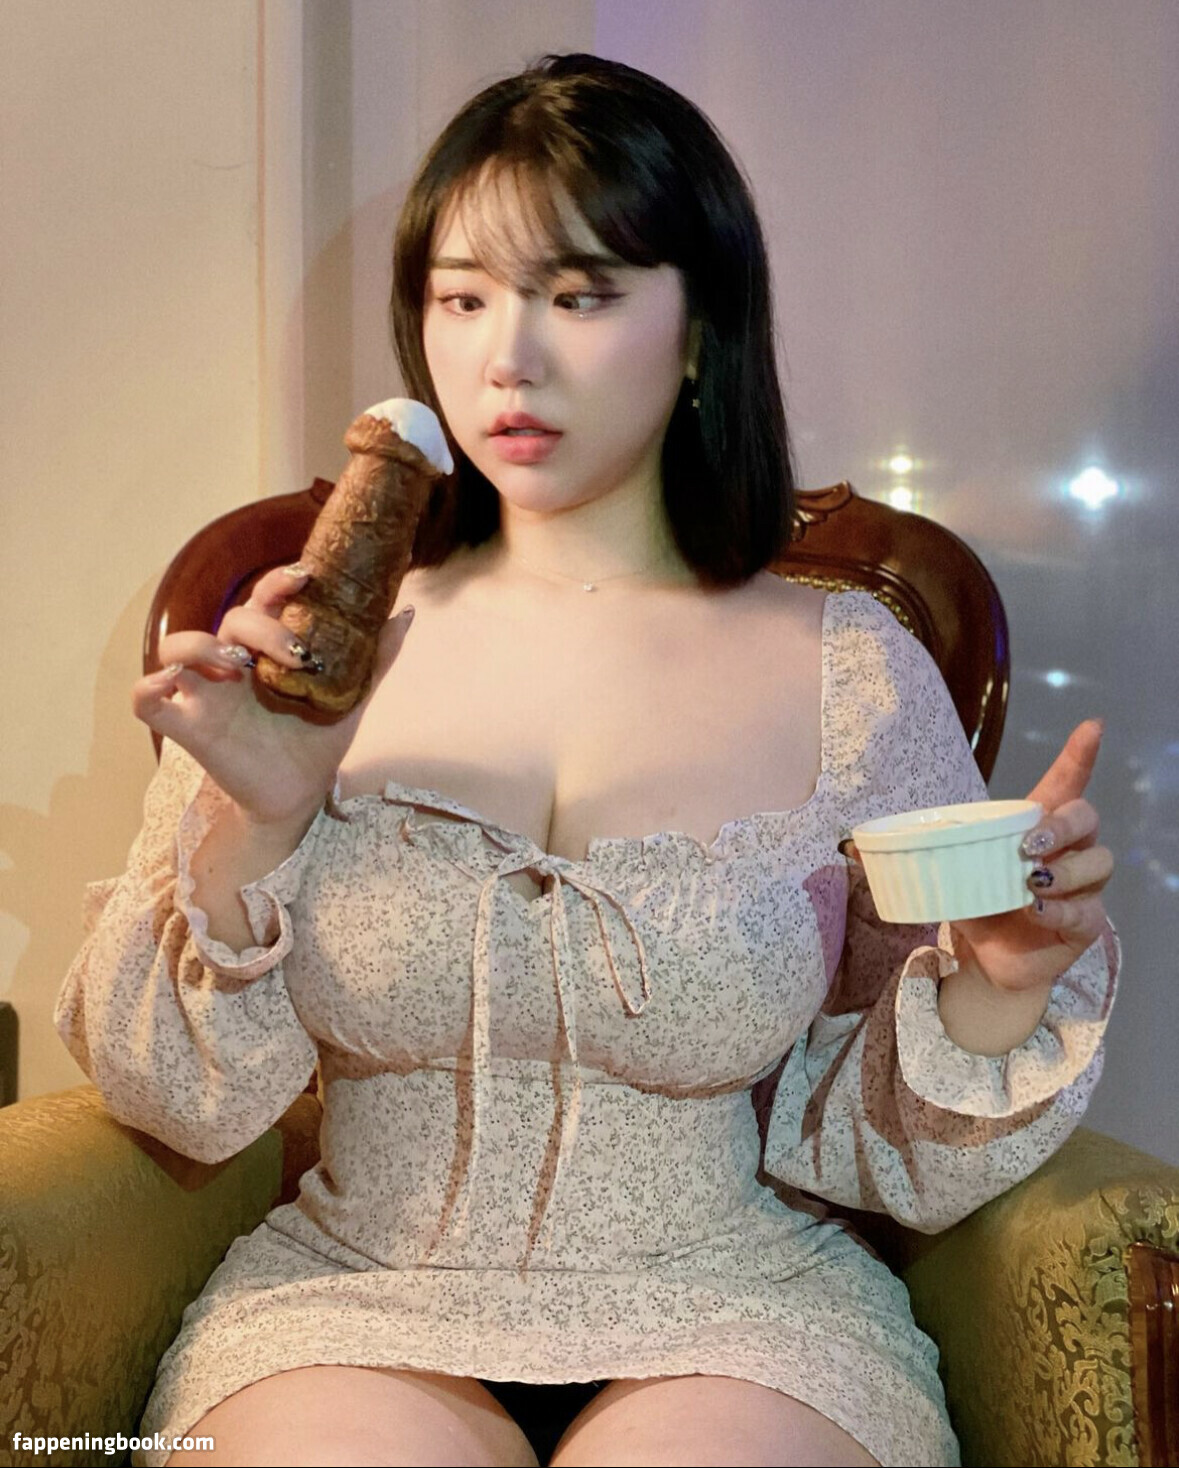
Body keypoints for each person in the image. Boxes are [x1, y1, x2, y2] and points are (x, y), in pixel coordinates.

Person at [55, 52, 1120, 1468]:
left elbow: (894, 1150)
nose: (509, 358)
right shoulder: (310, 652)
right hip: (348, 1298)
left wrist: (999, 982)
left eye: (580, 295)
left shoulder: (851, 668)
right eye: (463, 298)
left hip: (742, 1311)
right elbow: (177, 1099)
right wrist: (257, 822)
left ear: (700, 329)